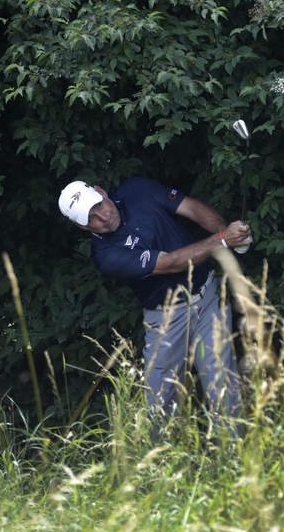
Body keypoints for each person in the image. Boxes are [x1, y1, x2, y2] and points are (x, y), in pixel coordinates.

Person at [58, 176, 252, 441]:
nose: (102, 217)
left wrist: (231, 235)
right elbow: (170, 263)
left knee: (223, 385)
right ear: (80, 226)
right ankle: (160, 469)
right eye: (91, 218)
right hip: (167, 319)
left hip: (208, 300)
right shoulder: (105, 255)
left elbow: (191, 207)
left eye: (99, 205)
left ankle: (235, 463)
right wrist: (223, 239)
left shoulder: (136, 190)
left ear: (101, 192)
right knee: (161, 401)